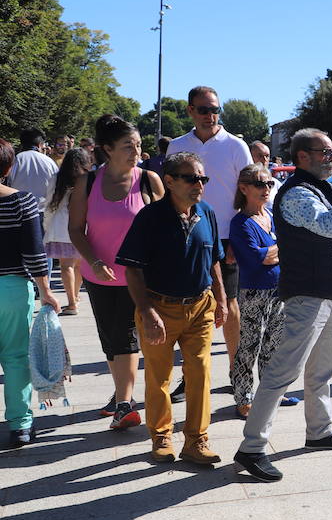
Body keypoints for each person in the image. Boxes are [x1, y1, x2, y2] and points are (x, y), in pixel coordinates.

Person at [234, 128, 332, 483]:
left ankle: (320, 430)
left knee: (322, 368)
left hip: (328, 291)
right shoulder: (297, 194)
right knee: (283, 371)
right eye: (325, 153)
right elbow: (330, 227)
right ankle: (252, 446)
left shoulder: (325, 189)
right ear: (303, 157)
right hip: (307, 292)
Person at [117, 152, 226, 464]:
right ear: (170, 180)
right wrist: (147, 311)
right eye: (191, 178)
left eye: (202, 178)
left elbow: (214, 259)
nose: (199, 184)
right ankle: (161, 435)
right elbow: (132, 270)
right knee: (158, 376)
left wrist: (220, 300)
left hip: (201, 306)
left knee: (200, 373)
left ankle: (196, 440)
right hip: (159, 308)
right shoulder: (149, 217)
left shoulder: (207, 212)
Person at [69, 114, 163, 429]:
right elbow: (76, 229)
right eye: (127, 146)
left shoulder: (149, 180)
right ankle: (122, 395)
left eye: (137, 145)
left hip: (141, 277)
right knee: (111, 339)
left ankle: (125, 403)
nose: (136, 151)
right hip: (99, 277)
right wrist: (94, 261)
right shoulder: (88, 182)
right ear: (107, 149)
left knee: (128, 339)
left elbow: (168, 227)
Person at [167, 85, 252, 389]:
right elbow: (169, 193)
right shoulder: (176, 145)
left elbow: (250, 191)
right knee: (186, 306)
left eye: (215, 109)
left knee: (228, 304)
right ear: (190, 110)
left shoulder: (235, 146)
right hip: (186, 236)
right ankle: (190, 375)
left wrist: (239, 239)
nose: (210, 115)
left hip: (227, 236)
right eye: (203, 109)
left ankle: (237, 374)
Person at [0, 139, 61, 446]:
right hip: (12, 288)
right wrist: (46, 291)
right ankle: (20, 423)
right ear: (9, 168)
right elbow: (35, 253)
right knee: (14, 358)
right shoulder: (22, 201)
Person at [228, 163, 292, 418]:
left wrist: (274, 253)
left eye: (269, 183)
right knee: (248, 347)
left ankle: (271, 393)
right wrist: (278, 251)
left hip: (278, 291)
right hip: (254, 292)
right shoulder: (240, 222)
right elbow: (257, 258)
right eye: (259, 184)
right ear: (244, 188)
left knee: (274, 346)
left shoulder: (271, 217)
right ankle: (243, 397)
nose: (266, 188)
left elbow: (279, 252)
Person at [45, 147, 93, 315]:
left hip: (61, 227)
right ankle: (76, 297)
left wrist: (46, 225)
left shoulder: (57, 178)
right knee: (80, 264)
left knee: (66, 266)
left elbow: (49, 203)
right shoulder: (89, 178)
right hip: (83, 225)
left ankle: (72, 302)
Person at [9, 128, 58, 206]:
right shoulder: (49, 162)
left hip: (18, 208)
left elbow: (9, 183)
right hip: (42, 210)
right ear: (40, 145)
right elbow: (55, 187)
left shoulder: (16, 159)